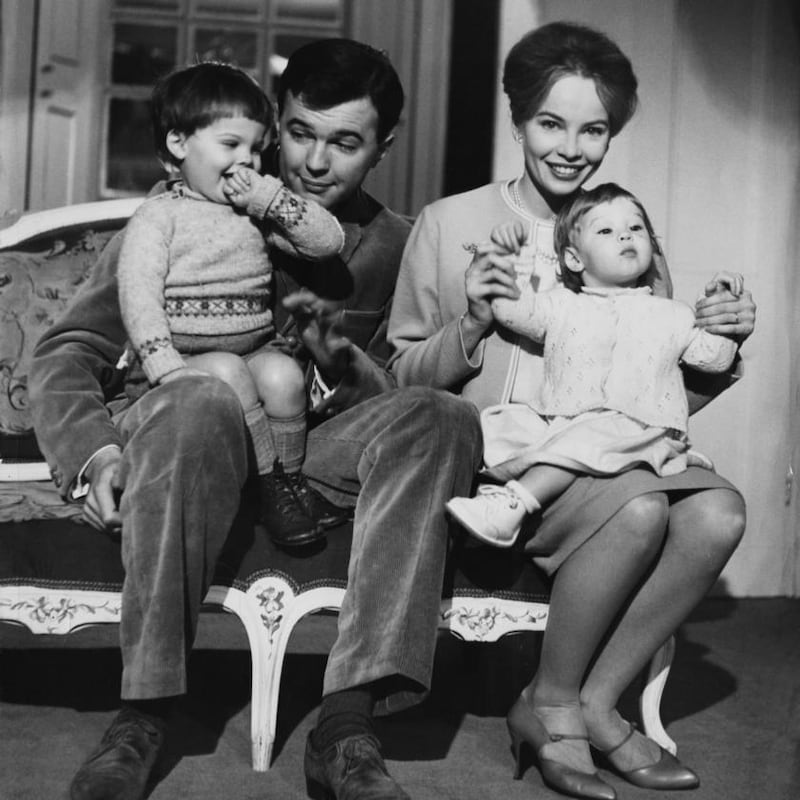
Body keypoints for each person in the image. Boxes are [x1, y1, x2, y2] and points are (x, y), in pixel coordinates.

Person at [29, 39, 482, 800]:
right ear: (276, 125)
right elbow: (68, 351)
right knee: (202, 396)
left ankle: (347, 727)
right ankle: (142, 715)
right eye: (299, 133)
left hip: (310, 458)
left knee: (443, 416)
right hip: (189, 436)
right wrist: (95, 455)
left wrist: (341, 360)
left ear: (383, 147)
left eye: (345, 143)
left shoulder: (398, 247)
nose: (313, 163)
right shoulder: (182, 211)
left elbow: (395, 394)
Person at [388, 21, 754, 800]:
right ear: (517, 118)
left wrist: (724, 344)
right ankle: (554, 703)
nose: (571, 148)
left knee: (721, 514)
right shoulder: (449, 224)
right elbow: (400, 381)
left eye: (594, 130)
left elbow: (659, 396)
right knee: (639, 510)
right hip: (502, 466)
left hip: (613, 455)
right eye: (551, 123)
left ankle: (592, 700)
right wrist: (473, 324)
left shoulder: (624, 235)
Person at [118, 61, 347, 547]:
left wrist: (269, 197)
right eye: (231, 144)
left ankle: (290, 483)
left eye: (257, 149)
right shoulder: (158, 216)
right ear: (179, 143)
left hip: (252, 350)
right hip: (179, 367)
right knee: (228, 370)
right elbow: (139, 297)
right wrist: (163, 367)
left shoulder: (252, 213)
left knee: (283, 376)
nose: (248, 161)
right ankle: (267, 487)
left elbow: (326, 242)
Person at [446, 183, 743, 548]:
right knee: (503, 424)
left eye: (636, 227)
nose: (625, 236)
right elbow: (510, 309)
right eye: (606, 230)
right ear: (574, 259)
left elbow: (714, 359)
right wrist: (508, 263)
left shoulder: (673, 314)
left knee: (592, 436)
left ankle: (514, 504)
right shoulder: (560, 305)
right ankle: (500, 494)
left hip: (641, 429)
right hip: (564, 422)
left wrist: (721, 313)